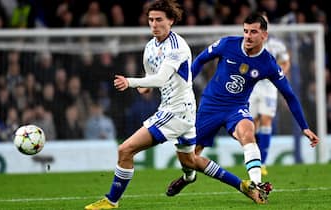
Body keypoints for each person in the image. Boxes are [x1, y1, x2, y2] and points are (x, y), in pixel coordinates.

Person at [84, 1, 268, 209]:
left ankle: (111, 201)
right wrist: (142, 86)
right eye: (151, 19)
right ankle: (244, 186)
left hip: (176, 111)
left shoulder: (177, 47)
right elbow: (151, 80)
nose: (154, 24)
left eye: (159, 19)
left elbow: (161, 79)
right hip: (182, 110)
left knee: (125, 150)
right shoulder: (150, 47)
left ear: (171, 21)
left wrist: (131, 82)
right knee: (191, 161)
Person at [166, 13, 319, 197]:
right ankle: (188, 177)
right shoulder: (227, 44)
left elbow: (290, 95)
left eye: (253, 32)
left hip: (236, 108)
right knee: (190, 158)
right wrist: (184, 85)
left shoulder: (268, 63)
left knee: (248, 133)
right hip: (210, 106)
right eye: (245, 31)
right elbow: (199, 61)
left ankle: (257, 186)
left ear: (264, 35)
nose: (248, 35)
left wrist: (304, 127)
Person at [249, 14, 291, 176]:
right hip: (252, 86)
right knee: (253, 123)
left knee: (266, 119)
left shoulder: (276, 44)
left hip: (268, 88)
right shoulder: (249, 43)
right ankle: (255, 158)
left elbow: (286, 61)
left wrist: (278, 75)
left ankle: (262, 163)